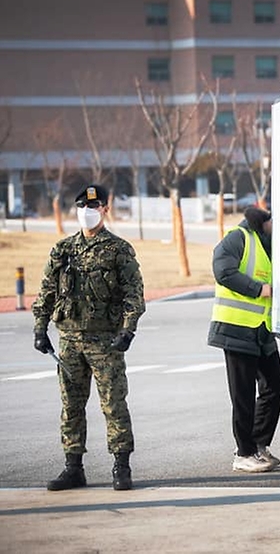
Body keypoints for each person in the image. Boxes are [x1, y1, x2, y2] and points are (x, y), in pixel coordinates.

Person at [32, 184, 145, 491]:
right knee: (71, 406)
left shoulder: (118, 249)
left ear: (105, 209)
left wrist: (127, 329)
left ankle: (121, 467)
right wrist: (40, 328)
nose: (87, 212)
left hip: (105, 341)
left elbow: (133, 293)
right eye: (82, 206)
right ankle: (73, 468)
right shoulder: (63, 250)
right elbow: (47, 291)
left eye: (93, 207)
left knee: (113, 404)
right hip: (69, 340)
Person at [208, 206, 280, 473]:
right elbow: (223, 271)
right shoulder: (239, 236)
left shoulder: (272, 245)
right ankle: (243, 454)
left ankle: (258, 444)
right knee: (242, 395)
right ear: (270, 221)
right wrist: (258, 289)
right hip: (236, 329)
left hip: (261, 331)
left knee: (276, 385)